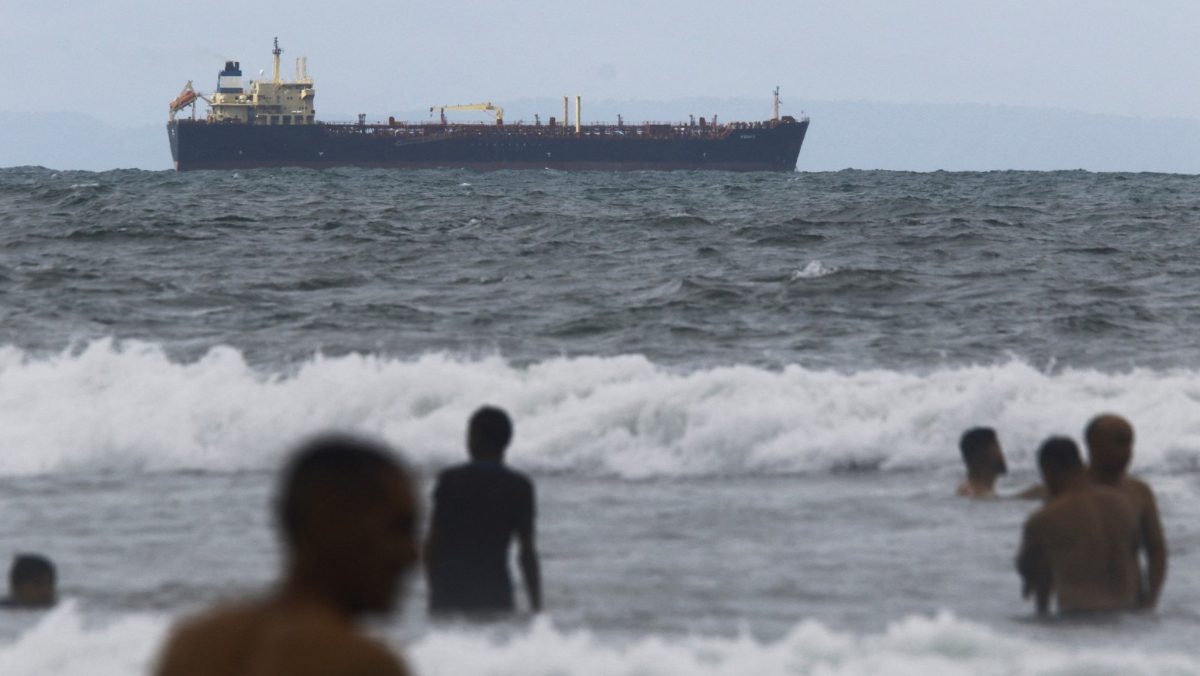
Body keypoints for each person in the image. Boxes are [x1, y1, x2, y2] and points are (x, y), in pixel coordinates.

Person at [154, 433, 419, 676]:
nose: (413, 555)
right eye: (399, 528)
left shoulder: (195, 644)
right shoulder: (363, 664)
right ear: (332, 521)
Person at [425, 406, 542, 616]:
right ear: (506, 441)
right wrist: (537, 607)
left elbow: (432, 545)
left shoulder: (450, 480)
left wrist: (435, 590)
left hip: (449, 590)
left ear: (475, 437)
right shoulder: (519, 486)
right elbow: (527, 553)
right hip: (495, 592)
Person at [1016, 436, 1140, 616]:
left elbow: (1028, 567)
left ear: (1048, 472)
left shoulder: (1045, 518)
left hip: (1079, 619)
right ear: (1082, 464)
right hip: (1129, 616)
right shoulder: (1123, 504)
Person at [1085, 413, 1168, 610]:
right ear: (1093, 444)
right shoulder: (1068, 491)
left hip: (1131, 606)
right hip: (1081, 610)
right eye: (1119, 442)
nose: (1128, 451)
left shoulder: (1139, 492)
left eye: (1130, 443)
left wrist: (1151, 600)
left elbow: (1156, 550)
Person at [956, 427, 1007, 498]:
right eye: (999, 448)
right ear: (991, 452)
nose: (1003, 455)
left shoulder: (964, 488)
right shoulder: (978, 494)